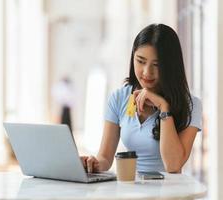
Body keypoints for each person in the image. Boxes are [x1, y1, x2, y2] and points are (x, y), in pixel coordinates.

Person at [81, 24, 202, 173]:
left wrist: (164, 107)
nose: (147, 72)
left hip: (170, 193)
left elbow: (173, 165)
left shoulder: (191, 105)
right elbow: (105, 158)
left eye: (156, 65)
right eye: (140, 61)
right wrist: (93, 164)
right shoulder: (119, 98)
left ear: (170, 66)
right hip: (132, 190)